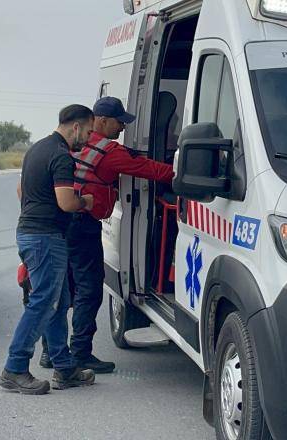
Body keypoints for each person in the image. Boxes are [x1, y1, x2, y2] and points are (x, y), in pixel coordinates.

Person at [66, 96, 175, 374]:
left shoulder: (77, 144)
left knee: (65, 288)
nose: (122, 128)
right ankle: (79, 354)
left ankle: (52, 352)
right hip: (85, 225)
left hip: (66, 225)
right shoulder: (109, 152)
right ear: (102, 120)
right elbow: (147, 170)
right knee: (90, 290)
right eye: (119, 122)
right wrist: (179, 173)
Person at [0, 104, 96, 395]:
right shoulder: (61, 156)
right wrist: (85, 202)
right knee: (43, 302)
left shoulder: (36, 149)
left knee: (59, 300)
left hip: (31, 233)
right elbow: (66, 202)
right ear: (75, 127)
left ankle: (64, 368)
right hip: (45, 238)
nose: (88, 139)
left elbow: (20, 190)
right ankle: (14, 368)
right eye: (88, 132)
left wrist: (36, 206)